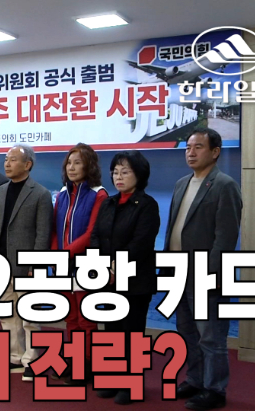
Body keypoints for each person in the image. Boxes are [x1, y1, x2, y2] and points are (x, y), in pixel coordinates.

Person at [164, 128, 242, 410]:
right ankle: (195, 380)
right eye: (188, 147)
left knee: (211, 336)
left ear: (215, 152)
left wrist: (208, 275)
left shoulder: (224, 185)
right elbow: (173, 228)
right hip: (179, 271)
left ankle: (215, 389)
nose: (191, 152)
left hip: (205, 275)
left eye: (198, 147)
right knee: (187, 331)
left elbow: (225, 238)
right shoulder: (181, 183)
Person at [91, 150, 160, 405]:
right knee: (111, 331)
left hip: (135, 280)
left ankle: (132, 384)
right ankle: (112, 378)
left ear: (139, 175)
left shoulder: (147, 205)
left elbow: (141, 243)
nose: (118, 177)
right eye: (115, 172)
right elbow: (96, 236)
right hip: (108, 279)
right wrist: (102, 266)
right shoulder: (108, 203)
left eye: (125, 172)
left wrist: (115, 267)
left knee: (132, 333)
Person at [0, 144, 53, 381]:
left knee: (29, 317)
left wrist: (37, 263)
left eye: (13, 160)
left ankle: (32, 360)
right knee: (8, 315)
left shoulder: (41, 193)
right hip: (2, 263)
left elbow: (43, 233)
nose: (7, 164)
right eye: (6, 160)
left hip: (27, 265)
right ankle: (15, 356)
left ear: (28, 164)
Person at [51, 143, 107, 384]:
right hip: (63, 264)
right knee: (71, 317)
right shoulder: (63, 194)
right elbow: (55, 229)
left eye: (77, 163)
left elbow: (92, 232)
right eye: (69, 163)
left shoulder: (99, 194)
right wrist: (56, 255)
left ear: (89, 166)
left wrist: (66, 254)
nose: (71, 168)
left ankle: (88, 364)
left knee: (86, 319)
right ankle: (74, 360)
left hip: (86, 265)